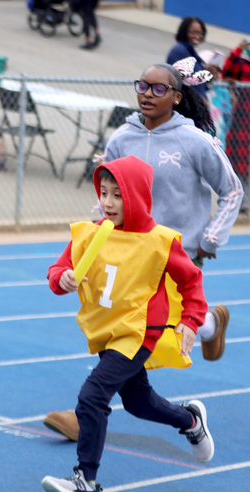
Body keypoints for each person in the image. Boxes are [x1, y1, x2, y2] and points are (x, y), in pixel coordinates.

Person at [42, 59, 243, 442]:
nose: (147, 94)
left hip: (171, 253)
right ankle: (209, 327)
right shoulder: (121, 138)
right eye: (142, 86)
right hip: (127, 251)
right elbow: (107, 192)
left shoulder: (195, 141)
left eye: (158, 88)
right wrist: (98, 230)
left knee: (142, 336)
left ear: (177, 96)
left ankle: (88, 410)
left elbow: (232, 189)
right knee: (124, 328)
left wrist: (211, 238)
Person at [40, 156, 213, 492]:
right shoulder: (93, 233)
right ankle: (191, 420)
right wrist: (63, 278)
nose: (107, 202)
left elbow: (191, 279)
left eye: (117, 195)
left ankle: (85, 482)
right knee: (138, 403)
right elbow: (58, 269)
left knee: (92, 396)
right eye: (103, 193)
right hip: (110, 333)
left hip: (138, 334)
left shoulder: (159, 242)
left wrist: (192, 320)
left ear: (135, 196)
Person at [221, 38, 250, 211]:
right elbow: (227, 72)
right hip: (241, 117)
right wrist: (237, 50)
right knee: (238, 160)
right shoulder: (240, 58)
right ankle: (239, 200)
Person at [166, 16, 208, 98]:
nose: (197, 36)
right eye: (193, 32)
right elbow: (176, 80)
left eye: (200, 33)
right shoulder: (179, 51)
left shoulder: (191, 52)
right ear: (184, 32)